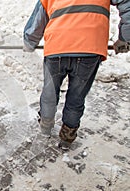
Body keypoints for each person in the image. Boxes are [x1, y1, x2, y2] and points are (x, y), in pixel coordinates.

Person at [23, 0, 130, 150]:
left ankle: (45, 127)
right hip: (90, 47)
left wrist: (29, 42)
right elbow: (127, 6)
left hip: (57, 46)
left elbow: (39, 17)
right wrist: (125, 38)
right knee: (76, 96)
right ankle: (67, 137)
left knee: (49, 92)